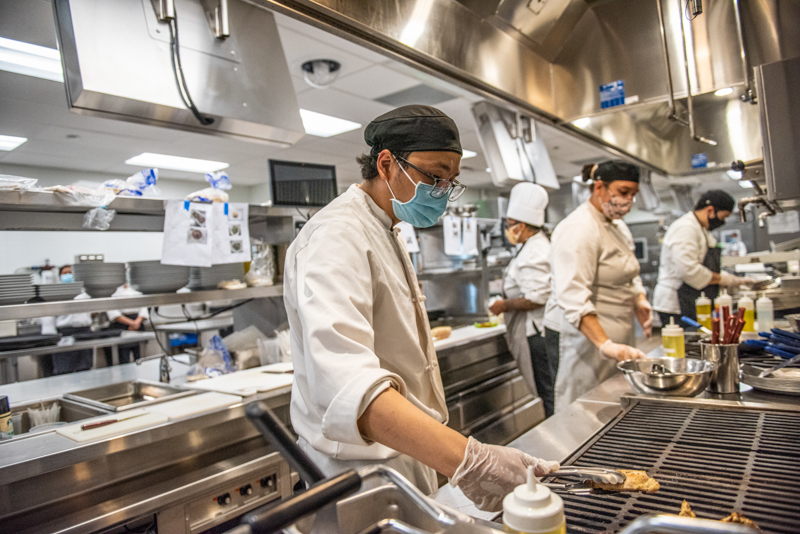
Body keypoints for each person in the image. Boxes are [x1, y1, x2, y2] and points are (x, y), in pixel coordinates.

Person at [284, 105, 559, 512]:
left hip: (402, 454)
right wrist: (470, 458)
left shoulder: (384, 227)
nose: (443, 191)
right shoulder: (335, 236)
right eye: (434, 176)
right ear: (386, 163)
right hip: (359, 474)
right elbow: (349, 387)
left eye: (451, 181)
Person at [544, 161, 651, 413]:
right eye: (623, 192)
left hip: (614, 334)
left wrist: (640, 299)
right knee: (581, 406)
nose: (628, 201)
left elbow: (628, 270)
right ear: (599, 186)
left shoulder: (618, 227)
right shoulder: (579, 228)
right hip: (583, 338)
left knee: (611, 401)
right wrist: (604, 344)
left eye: (633, 195)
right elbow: (572, 295)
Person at [488, 183, 556, 417]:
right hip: (538, 331)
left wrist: (502, 305)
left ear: (522, 226)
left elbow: (537, 297)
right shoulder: (531, 246)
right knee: (548, 390)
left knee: (548, 391)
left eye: (509, 226)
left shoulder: (535, 251)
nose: (508, 231)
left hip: (536, 334)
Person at [653, 190, 753, 328]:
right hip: (676, 303)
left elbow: (706, 266)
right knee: (683, 344)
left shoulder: (700, 229)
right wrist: (725, 279)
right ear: (710, 210)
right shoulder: (686, 228)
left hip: (690, 299)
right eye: (723, 217)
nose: (722, 222)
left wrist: (733, 280)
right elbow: (688, 270)